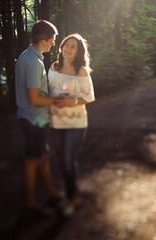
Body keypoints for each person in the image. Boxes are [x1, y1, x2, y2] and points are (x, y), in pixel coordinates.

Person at [15, 20, 63, 216]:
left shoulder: (26, 56)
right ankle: (31, 205)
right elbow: (34, 98)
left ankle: (52, 194)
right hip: (34, 119)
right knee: (33, 159)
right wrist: (54, 100)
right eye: (52, 40)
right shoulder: (34, 63)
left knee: (42, 156)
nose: (53, 44)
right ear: (44, 40)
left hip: (33, 118)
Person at [48, 33, 95, 216]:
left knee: (67, 162)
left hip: (76, 123)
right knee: (63, 159)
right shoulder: (53, 67)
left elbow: (89, 97)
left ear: (78, 51)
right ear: (61, 47)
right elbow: (48, 90)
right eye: (66, 45)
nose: (68, 48)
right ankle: (71, 194)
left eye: (73, 46)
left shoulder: (81, 71)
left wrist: (71, 102)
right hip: (56, 122)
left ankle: (71, 199)